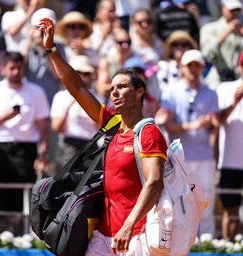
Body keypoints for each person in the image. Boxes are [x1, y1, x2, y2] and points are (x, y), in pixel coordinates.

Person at [39, 17, 167, 254]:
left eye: (122, 87)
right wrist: (52, 50)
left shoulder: (149, 132)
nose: (114, 92)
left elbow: (155, 183)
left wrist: (129, 226)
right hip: (104, 234)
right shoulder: (113, 122)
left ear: (140, 92)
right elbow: (76, 88)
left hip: (136, 235)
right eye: (111, 89)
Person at [156, 49, 220, 236]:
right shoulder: (170, 91)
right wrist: (192, 125)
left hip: (203, 155)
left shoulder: (210, 93)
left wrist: (211, 123)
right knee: (178, 201)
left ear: (202, 68)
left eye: (197, 65)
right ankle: (179, 241)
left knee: (206, 198)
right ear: (182, 67)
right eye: (189, 65)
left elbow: (214, 125)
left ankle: (207, 242)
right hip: (179, 156)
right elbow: (167, 124)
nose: (193, 69)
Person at [0, 51, 49, 230]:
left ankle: (21, 236)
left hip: (27, 149)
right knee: (0, 195)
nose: (15, 72)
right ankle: (1, 236)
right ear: (3, 69)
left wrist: (42, 154)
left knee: (24, 195)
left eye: (19, 67)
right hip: (1, 148)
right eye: (11, 68)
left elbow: (43, 126)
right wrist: (7, 116)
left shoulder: (36, 91)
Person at [50, 55, 99, 170]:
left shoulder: (98, 98)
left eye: (86, 74)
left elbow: (101, 127)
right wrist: (74, 99)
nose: (82, 77)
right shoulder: (61, 97)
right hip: (69, 146)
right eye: (78, 73)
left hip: (92, 146)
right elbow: (57, 127)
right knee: (67, 184)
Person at [216, 52, 243, 241]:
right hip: (230, 161)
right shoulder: (226, 88)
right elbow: (216, 121)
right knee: (230, 211)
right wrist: (234, 102)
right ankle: (227, 248)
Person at [200, 0, 243, 87]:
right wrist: (226, 33)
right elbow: (206, 54)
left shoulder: (241, 30)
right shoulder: (209, 28)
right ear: (222, 8)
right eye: (231, 10)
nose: (234, 13)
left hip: (238, 78)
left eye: (237, 10)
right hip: (217, 79)